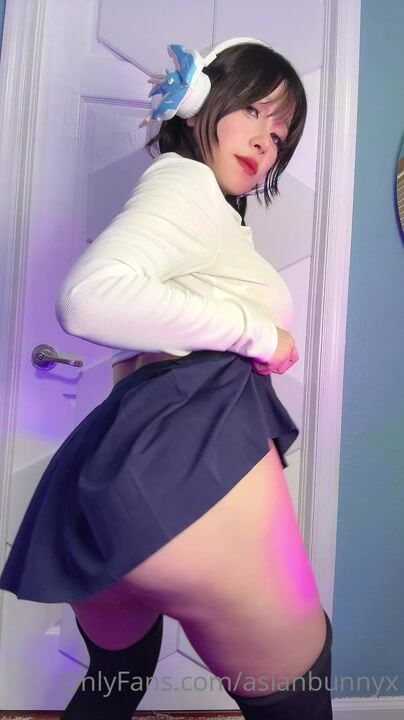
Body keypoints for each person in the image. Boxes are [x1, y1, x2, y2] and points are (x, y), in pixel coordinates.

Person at [0, 37, 333, 719]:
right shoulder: (183, 184)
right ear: (202, 100)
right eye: (254, 111)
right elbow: (89, 298)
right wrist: (257, 332)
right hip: (194, 488)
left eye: (280, 133)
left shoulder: (203, 208)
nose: (266, 141)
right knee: (300, 690)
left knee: (116, 678)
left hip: (110, 497)